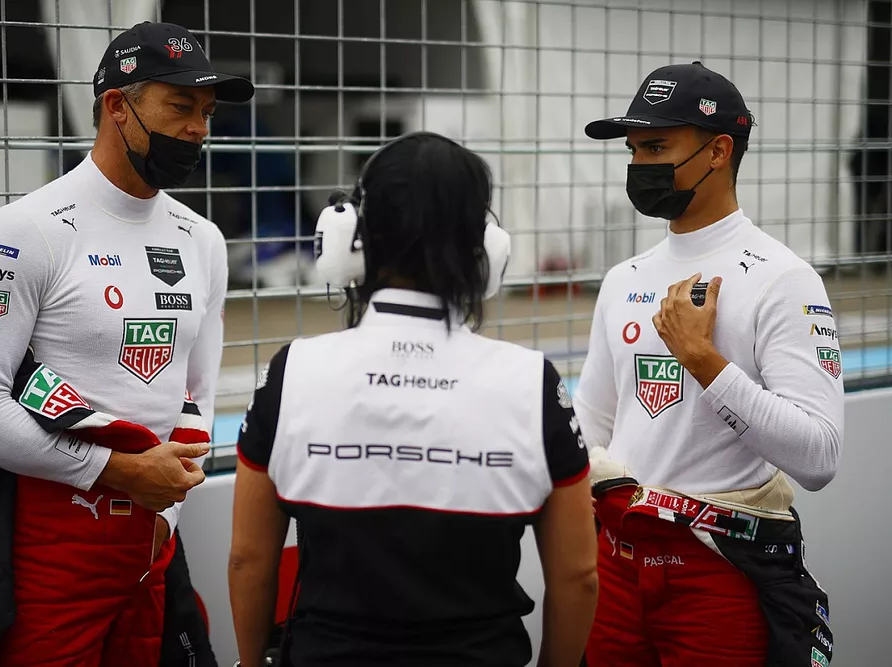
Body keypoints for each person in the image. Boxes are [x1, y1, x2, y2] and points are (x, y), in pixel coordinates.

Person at [0, 20, 253, 667]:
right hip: (50, 544)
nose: (199, 127)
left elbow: (196, 393)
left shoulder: (203, 239)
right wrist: (115, 470)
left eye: (206, 111)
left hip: (152, 538)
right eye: (180, 105)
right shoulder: (23, 228)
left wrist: (160, 506)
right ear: (118, 104)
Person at [227, 131, 599, 667]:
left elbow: (247, 558)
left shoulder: (293, 371)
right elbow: (577, 576)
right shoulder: (532, 382)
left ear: (350, 239)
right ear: (487, 249)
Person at [576, 61, 843, 666]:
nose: (640, 165)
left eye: (656, 146)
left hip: (719, 570)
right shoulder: (624, 279)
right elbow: (591, 432)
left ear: (719, 150)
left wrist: (703, 361)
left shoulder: (785, 279)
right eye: (634, 149)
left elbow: (820, 458)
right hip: (616, 566)